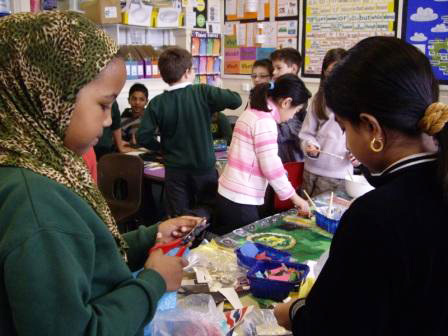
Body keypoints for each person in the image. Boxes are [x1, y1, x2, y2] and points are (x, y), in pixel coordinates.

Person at [0, 11, 203, 335]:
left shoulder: (47, 167)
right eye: (104, 105)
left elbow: (85, 257)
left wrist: (153, 236)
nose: (109, 121)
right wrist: (153, 283)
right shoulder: (34, 201)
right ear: (50, 98)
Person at [274, 36, 448, 335]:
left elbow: (336, 325)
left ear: (372, 128)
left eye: (344, 129)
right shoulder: (434, 180)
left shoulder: (378, 215)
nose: (344, 141)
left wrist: (295, 311)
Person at [137, 47, 242, 219]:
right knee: (207, 209)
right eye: (192, 69)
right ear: (187, 72)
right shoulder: (202, 92)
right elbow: (236, 100)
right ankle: (201, 240)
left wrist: (162, 148)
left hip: (175, 170)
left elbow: (143, 136)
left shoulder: (157, 103)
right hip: (203, 168)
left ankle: (182, 244)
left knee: (178, 217)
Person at [213, 74, 310, 235]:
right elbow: (270, 166)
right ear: (286, 103)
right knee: (244, 249)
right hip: (241, 199)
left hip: (228, 193)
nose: (293, 116)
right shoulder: (264, 122)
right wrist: (295, 197)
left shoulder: (252, 111)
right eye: (296, 111)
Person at [299, 48, 353, 197]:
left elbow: (363, 140)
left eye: (338, 71)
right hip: (311, 171)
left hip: (339, 175)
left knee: (326, 217)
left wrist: (358, 156)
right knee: (303, 216)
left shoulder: (356, 102)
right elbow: (306, 134)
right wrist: (309, 145)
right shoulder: (319, 100)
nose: (333, 77)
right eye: (329, 72)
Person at [270, 48, 306, 163]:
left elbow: (296, 130)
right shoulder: (271, 89)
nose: (274, 72)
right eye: (273, 68)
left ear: (293, 69)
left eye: (279, 68)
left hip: (291, 156)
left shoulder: (299, 95)